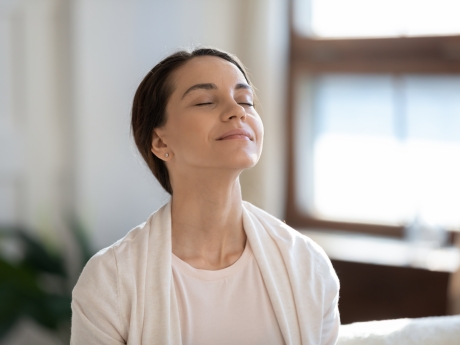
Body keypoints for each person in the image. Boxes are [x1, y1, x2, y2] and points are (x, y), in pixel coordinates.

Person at [70, 48, 340, 345]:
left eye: (245, 100)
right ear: (160, 142)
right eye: (206, 102)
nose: (237, 111)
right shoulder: (110, 282)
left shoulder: (307, 265)